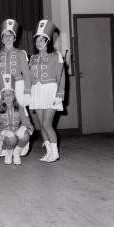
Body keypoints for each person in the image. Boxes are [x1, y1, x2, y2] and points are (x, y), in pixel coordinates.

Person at [29, 19, 65, 163]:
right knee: (41, 125)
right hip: (36, 91)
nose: (39, 43)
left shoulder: (56, 56)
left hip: (50, 90)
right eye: (37, 40)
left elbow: (61, 77)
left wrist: (60, 94)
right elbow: (29, 77)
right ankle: (49, 152)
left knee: (46, 124)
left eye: (42, 40)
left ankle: (55, 152)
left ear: (47, 41)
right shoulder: (32, 58)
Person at [0, 74, 34, 165]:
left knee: (25, 135)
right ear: (2, 98)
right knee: (12, 139)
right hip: (5, 138)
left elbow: (28, 124)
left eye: (10, 95)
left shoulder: (21, 108)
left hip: (17, 133)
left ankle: (16, 152)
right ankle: (8, 153)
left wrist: (23, 128)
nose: (8, 97)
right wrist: (3, 132)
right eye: (5, 95)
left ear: (14, 96)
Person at [0, 19, 31, 107]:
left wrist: (27, 91)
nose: (8, 38)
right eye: (5, 36)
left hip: (18, 85)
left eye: (10, 35)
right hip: (0, 86)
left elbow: (26, 74)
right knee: (1, 112)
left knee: (19, 112)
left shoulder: (21, 53)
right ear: (2, 39)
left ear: (14, 38)